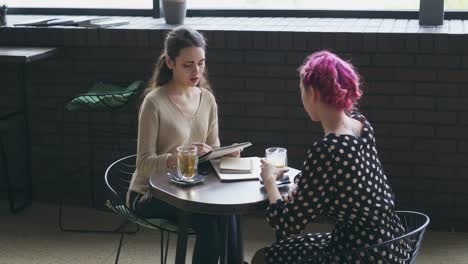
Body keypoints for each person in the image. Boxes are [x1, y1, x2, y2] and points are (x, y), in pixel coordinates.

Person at [253, 51, 407, 264]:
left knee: (263, 257)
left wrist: (269, 180)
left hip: (358, 253)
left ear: (313, 93)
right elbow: (342, 184)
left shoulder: (328, 149)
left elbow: (288, 223)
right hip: (392, 243)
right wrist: (301, 186)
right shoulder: (361, 124)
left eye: (302, 91)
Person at [127, 26, 238, 264]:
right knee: (209, 221)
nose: (196, 70)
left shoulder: (207, 99)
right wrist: (178, 159)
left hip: (193, 189)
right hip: (151, 193)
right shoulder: (153, 102)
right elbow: (143, 164)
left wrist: (217, 154)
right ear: (170, 62)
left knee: (228, 212)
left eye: (201, 62)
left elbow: (211, 155)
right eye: (188, 64)